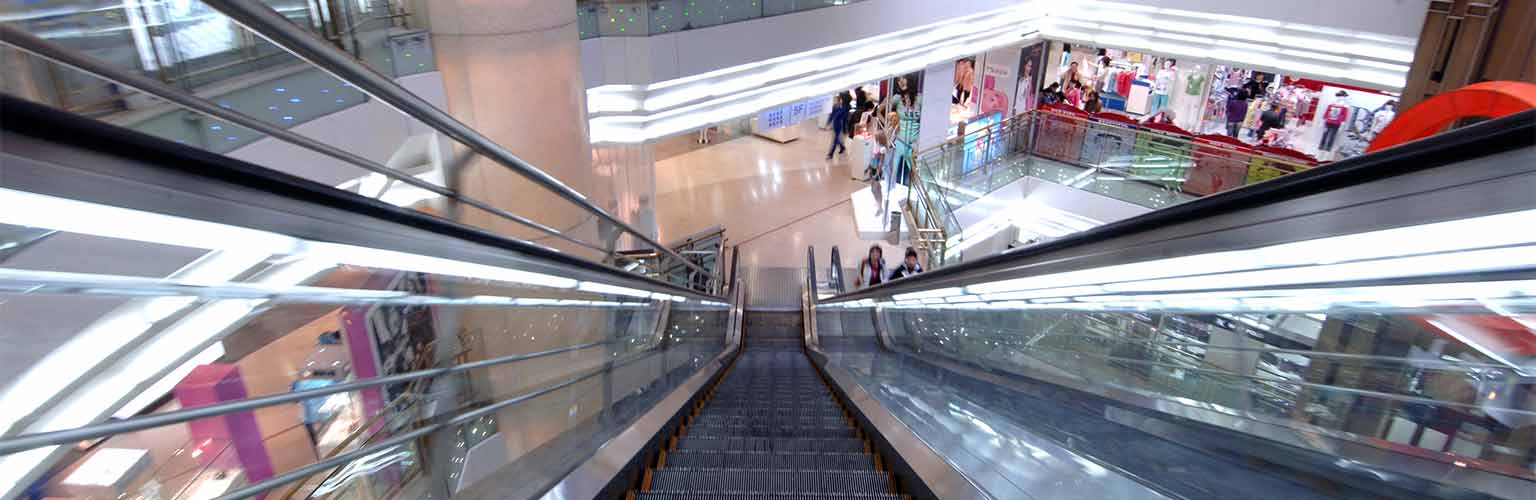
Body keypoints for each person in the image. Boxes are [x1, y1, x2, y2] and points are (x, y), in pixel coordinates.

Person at [826, 94, 850, 159]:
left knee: (834, 140)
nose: (836, 101)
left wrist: (845, 129)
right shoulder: (835, 107)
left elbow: (845, 119)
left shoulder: (844, 108)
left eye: (837, 100)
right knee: (837, 139)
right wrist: (828, 122)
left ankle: (830, 154)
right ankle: (842, 147)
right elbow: (832, 115)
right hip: (835, 125)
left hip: (839, 126)